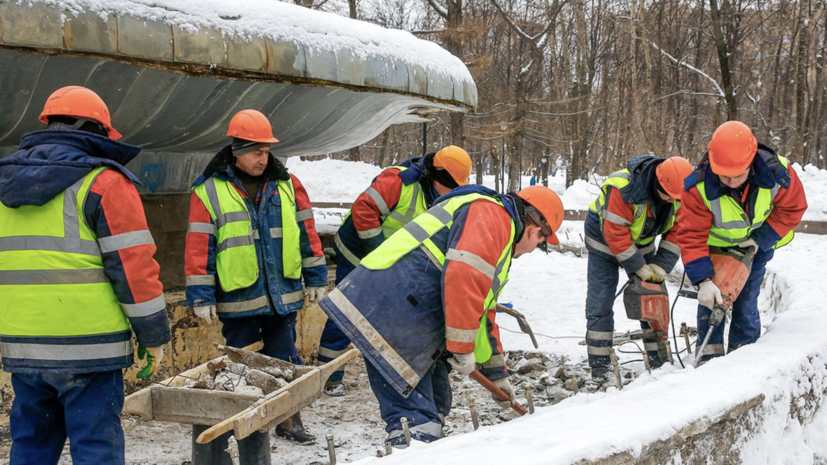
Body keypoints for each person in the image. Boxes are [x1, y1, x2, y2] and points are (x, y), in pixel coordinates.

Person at [0, 86, 171, 465]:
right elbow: (134, 269)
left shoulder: (3, 185)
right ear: (97, 131)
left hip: (23, 348)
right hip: (91, 350)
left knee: (30, 446)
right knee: (96, 448)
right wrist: (153, 334)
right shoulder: (105, 183)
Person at [319, 184, 564, 446]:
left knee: (438, 400)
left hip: (409, 315)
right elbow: (463, 278)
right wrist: (461, 347)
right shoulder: (490, 215)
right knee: (417, 421)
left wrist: (496, 374)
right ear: (535, 229)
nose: (532, 249)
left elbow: (483, 311)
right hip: (388, 311)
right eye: (539, 243)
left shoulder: (499, 231)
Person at [184, 109, 328, 443]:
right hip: (238, 296)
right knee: (241, 366)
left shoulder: (288, 185)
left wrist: (317, 275)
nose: (262, 159)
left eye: (265, 152)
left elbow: (306, 231)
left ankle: (289, 420)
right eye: (254, 152)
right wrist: (200, 296)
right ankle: (246, 427)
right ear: (236, 150)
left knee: (285, 362)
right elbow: (198, 245)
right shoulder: (208, 190)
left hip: (283, 293)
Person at [318, 146, 472, 395]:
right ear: (438, 177)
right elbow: (364, 210)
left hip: (390, 264)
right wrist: (381, 255)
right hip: (357, 253)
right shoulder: (399, 181)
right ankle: (328, 375)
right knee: (345, 313)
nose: (454, 192)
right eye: (452, 185)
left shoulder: (441, 198)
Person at [679, 121, 807, 363]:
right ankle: (708, 361)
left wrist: (758, 240)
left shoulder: (779, 173)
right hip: (714, 250)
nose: (730, 181)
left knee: (746, 298)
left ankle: (743, 357)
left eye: (737, 175)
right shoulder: (697, 187)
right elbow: (690, 235)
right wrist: (703, 280)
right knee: (711, 304)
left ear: (751, 163)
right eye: (723, 175)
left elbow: (793, 209)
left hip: (755, 247)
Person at [583, 155, 693, 380]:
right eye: (669, 197)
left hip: (641, 242)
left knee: (652, 295)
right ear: (658, 184)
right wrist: (638, 266)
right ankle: (600, 364)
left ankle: (658, 357)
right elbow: (615, 234)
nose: (673, 202)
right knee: (601, 300)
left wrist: (660, 265)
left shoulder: (681, 193)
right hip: (602, 243)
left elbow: (679, 231)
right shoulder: (623, 189)